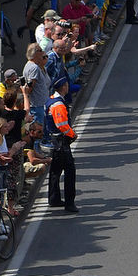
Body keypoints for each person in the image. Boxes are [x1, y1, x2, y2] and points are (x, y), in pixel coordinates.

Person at [46, 77, 79, 211]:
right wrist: (73, 134)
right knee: (70, 171)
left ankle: (54, 199)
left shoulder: (51, 100)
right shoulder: (58, 105)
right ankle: (69, 203)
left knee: (56, 170)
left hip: (54, 140)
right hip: (61, 142)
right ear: (64, 87)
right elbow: (62, 125)